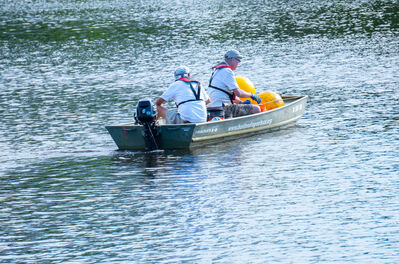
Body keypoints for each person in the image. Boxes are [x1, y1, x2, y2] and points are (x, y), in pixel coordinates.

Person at [207, 49, 261, 118]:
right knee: (256, 109)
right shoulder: (227, 71)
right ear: (232, 59)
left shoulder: (217, 71)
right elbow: (239, 93)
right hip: (223, 108)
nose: (238, 63)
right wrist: (251, 95)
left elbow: (227, 93)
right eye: (238, 60)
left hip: (211, 107)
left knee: (241, 107)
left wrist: (241, 102)